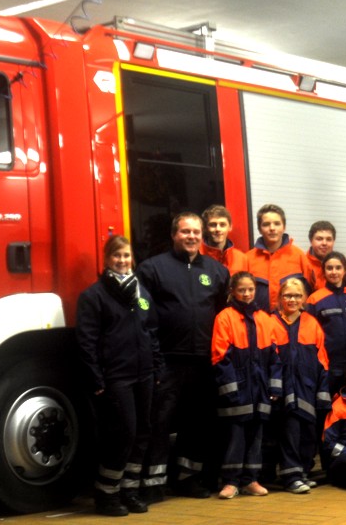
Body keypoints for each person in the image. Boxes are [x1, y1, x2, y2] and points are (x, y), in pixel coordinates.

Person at [137, 213, 229, 502]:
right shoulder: (153, 269)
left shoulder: (216, 271)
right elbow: (142, 317)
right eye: (185, 231)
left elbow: (219, 314)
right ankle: (153, 483)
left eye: (196, 232)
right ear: (174, 234)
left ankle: (189, 479)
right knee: (159, 421)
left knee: (198, 423)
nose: (191, 236)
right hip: (166, 360)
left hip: (202, 361)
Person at [76, 235, 161, 516]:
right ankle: (106, 495)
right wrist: (97, 381)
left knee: (142, 433)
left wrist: (156, 366)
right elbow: (86, 342)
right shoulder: (94, 296)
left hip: (144, 374)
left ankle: (130, 491)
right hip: (116, 377)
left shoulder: (141, 293)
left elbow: (151, 331)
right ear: (106, 259)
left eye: (126, 256)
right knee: (123, 433)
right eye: (117, 256)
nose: (122, 261)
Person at [212, 272, 282, 499]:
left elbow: (274, 357)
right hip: (238, 389)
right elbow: (220, 357)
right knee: (235, 436)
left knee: (256, 437)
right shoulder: (225, 317)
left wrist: (274, 388)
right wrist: (231, 388)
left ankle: (250, 479)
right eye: (241, 290)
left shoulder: (265, 318)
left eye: (250, 289)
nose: (246, 294)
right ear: (233, 291)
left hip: (260, 389)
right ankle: (230, 482)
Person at [271, 278, 331, 493]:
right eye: (287, 295)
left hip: (308, 387)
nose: (292, 300)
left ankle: (303, 471)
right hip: (285, 390)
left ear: (304, 298)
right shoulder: (272, 323)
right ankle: (291, 476)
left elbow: (322, 358)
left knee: (308, 433)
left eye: (297, 296)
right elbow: (270, 359)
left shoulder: (311, 323)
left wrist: (322, 389)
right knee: (290, 433)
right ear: (280, 298)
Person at [305, 251, 346, 396]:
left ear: (345, 270)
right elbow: (310, 337)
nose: (334, 272)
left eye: (338, 268)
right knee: (328, 408)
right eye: (329, 268)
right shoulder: (315, 299)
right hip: (330, 367)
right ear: (323, 271)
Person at [245, 204, 313, 312]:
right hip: (259, 323)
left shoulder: (298, 256)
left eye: (277, 224)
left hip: (292, 323)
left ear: (284, 227)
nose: (272, 228)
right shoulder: (247, 259)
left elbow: (311, 293)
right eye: (266, 224)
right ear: (259, 229)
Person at [200, 204, 248, 275]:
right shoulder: (196, 255)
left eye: (222, 225)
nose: (218, 229)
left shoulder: (242, 259)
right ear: (205, 228)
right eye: (213, 225)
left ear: (230, 227)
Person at [306, 221, 336, 290]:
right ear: (311, 240)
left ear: (333, 241)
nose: (324, 243)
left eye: (328, 239)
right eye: (319, 239)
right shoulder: (303, 264)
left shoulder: (340, 266)